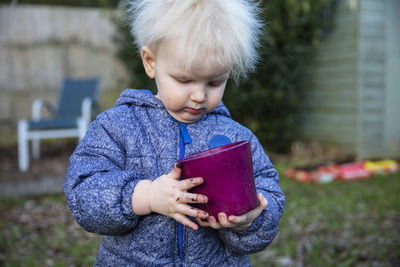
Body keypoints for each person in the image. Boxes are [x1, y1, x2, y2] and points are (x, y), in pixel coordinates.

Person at [64, 0, 285, 266]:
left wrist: (249, 220)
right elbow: (83, 192)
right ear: (150, 62)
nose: (198, 96)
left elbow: (268, 192)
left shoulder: (237, 138)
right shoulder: (118, 127)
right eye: (184, 80)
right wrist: (144, 196)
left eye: (215, 82)